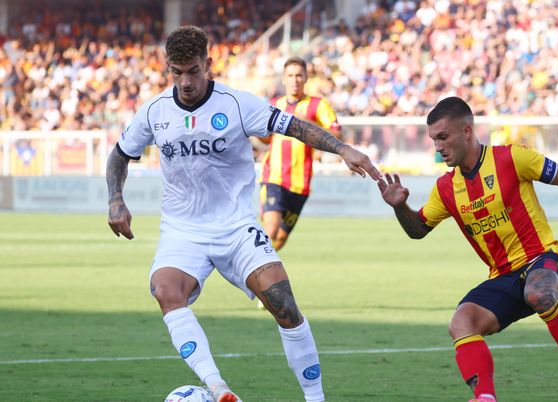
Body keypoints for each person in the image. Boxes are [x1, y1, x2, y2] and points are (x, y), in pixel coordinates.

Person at [106, 26, 380, 402]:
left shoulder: (236, 104)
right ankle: (217, 388)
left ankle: (316, 399)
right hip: (183, 232)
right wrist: (115, 199)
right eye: (177, 72)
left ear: (209, 65)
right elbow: (120, 154)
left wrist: (341, 148)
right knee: (166, 290)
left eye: (193, 71)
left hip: (236, 228)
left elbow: (294, 126)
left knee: (284, 304)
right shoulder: (155, 112)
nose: (185, 81)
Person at [377, 97, 558, 402]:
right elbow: (418, 230)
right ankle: (485, 398)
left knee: (539, 293)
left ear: (467, 131)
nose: (438, 147)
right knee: (461, 322)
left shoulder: (512, 158)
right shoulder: (446, 188)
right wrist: (400, 207)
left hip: (544, 259)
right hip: (503, 277)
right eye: (434, 140)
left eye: (443, 137)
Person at [259, 56, 341, 251]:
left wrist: (304, 123)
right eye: (290, 75)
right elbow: (264, 138)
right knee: (270, 231)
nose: (294, 79)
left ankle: (257, 272)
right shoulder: (273, 105)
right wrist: (261, 133)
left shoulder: (317, 105)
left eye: (299, 75)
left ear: (305, 78)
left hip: (300, 183)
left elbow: (337, 133)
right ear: (284, 79)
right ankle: (252, 275)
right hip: (274, 177)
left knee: (278, 241)